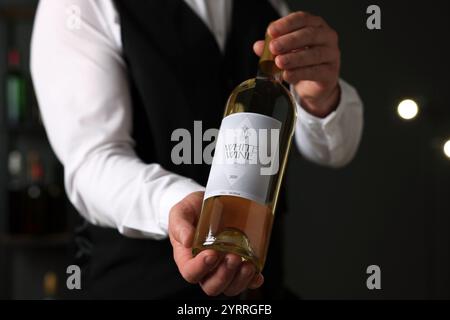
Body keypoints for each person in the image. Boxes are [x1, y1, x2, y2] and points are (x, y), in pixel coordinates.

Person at [31, 0, 363, 299]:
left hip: (258, 292)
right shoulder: (78, 5)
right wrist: (177, 205)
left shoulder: (270, 7)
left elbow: (334, 151)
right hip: (135, 286)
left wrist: (320, 99)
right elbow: (92, 160)